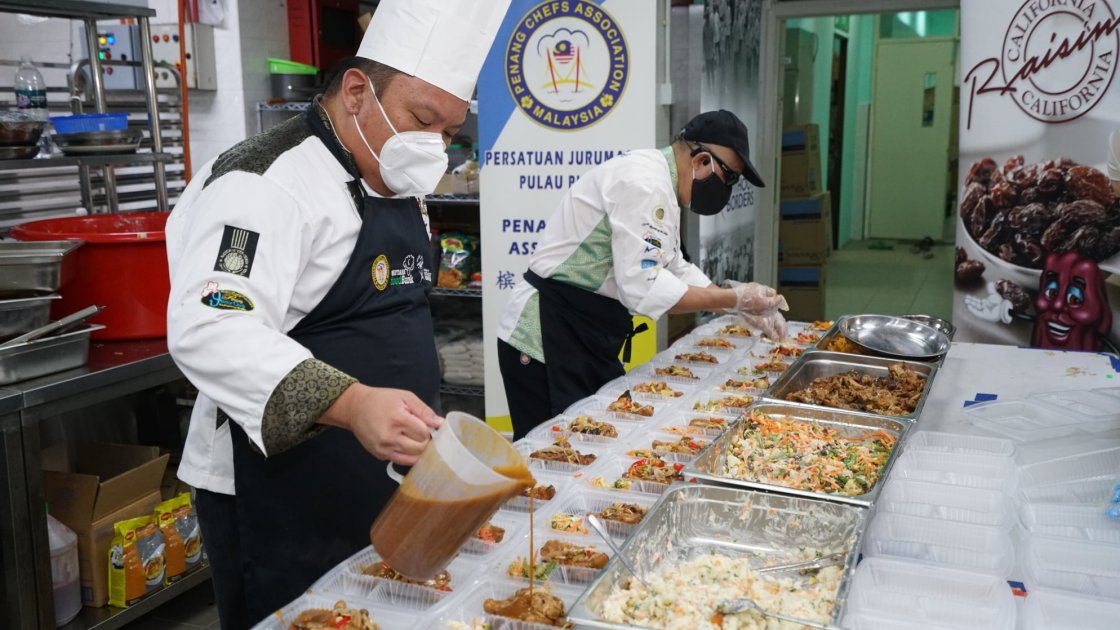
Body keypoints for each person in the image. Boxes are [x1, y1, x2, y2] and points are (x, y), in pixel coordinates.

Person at [163, 1, 510, 627]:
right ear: (356, 91)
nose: (433, 147)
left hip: (369, 472)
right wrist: (352, 404)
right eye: (421, 120)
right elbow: (211, 326)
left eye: (450, 132)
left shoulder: (397, 179)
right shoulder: (265, 182)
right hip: (277, 491)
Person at [496, 110, 787, 439]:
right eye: (729, 177)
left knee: (592, 443)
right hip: (544, 337)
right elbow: (642, 286)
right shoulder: (645, 182)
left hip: (582, 333)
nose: (728, 188)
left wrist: (738, 306)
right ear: (703, 160)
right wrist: (734, 299)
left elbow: (672, 264)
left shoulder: (662, 182)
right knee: (553, 457)